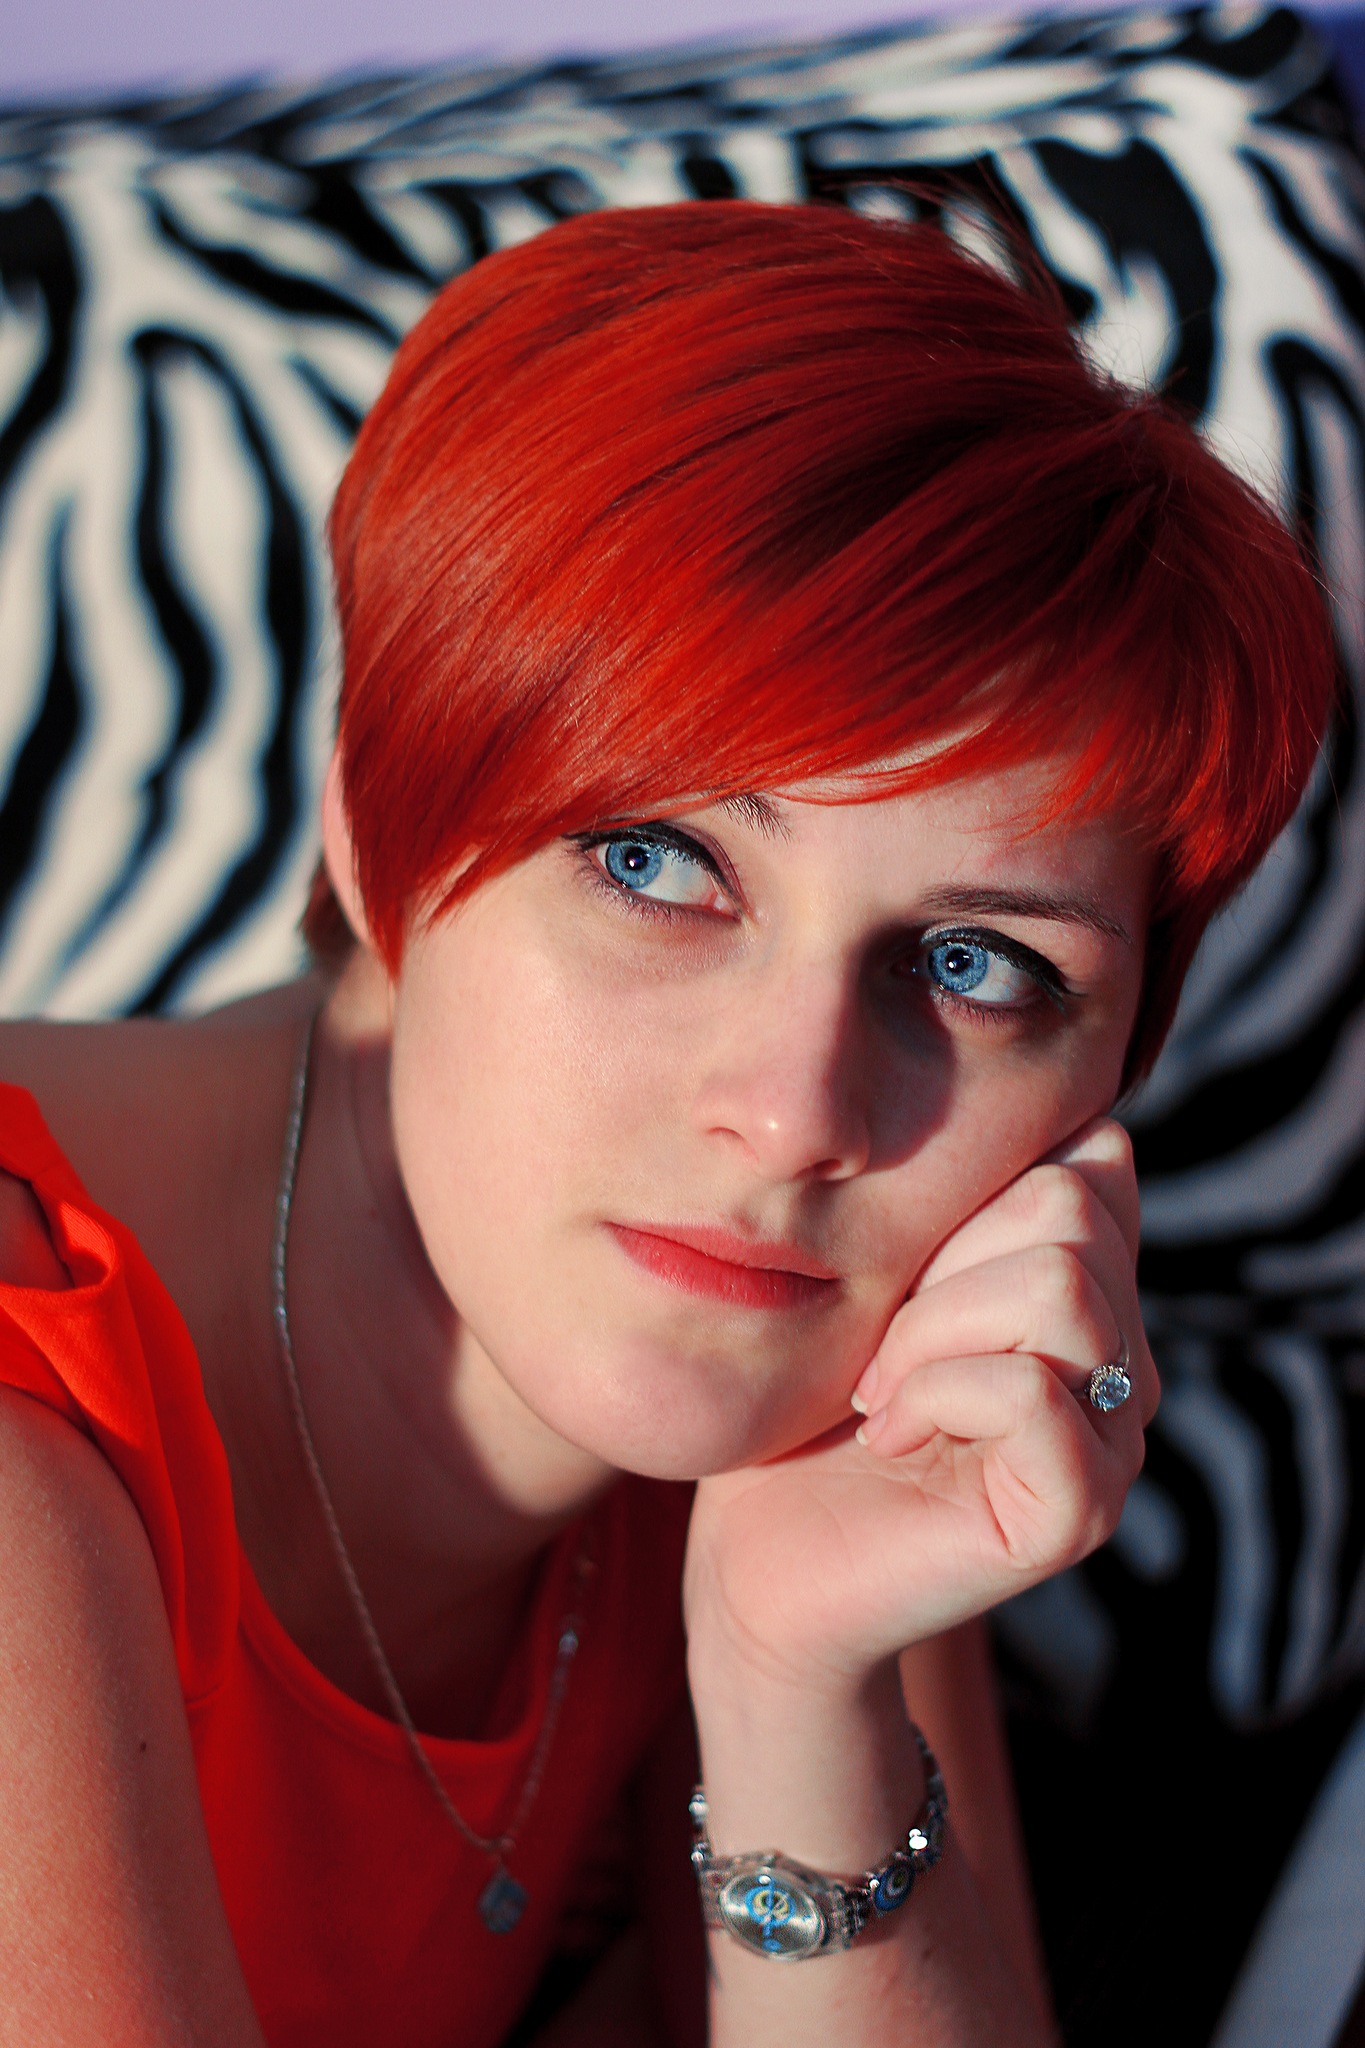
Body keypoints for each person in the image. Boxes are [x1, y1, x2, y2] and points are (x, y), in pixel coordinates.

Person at [0, 200, 1335, 2048]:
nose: (793, 1117)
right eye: (654, 864)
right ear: (378, 820)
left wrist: (798, 1687)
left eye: (972, 965)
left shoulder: (774, 1385)